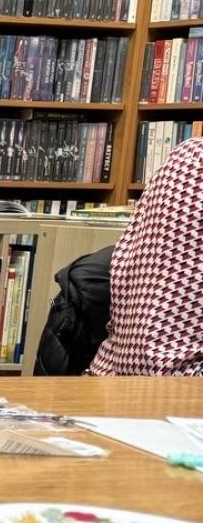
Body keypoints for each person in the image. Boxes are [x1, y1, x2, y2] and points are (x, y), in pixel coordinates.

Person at [89, 138, 203, 376]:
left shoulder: (189, 156)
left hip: (121, 377)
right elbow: (165, 350)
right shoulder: (195, 163)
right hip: (174, 387)